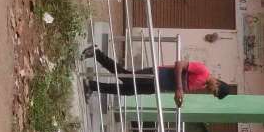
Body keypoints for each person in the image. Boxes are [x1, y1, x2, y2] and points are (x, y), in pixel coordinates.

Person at [81, 45, 232, 106]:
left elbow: (178, 88)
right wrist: (180, 88)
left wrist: (178, 99)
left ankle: (92, 85)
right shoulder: (203, 71)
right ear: (217, 84)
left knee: (126, 90)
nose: (210, 92)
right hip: (157, 75)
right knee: (125, 77)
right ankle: (96, 53)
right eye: (214, 92)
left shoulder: (202, 85)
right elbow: (179, 64)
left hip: (157, 87)